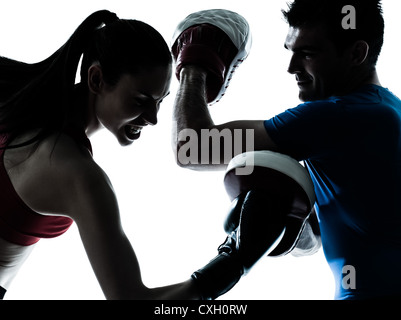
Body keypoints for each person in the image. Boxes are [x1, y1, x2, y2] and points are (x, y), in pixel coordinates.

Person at [0, 10, 287, 300]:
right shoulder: (77, 174)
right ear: (96, 79)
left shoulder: (19, 103)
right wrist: (234, 261)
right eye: (141, 101)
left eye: (160, 102)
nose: (153, 119)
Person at [171, 1, 401, 299]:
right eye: (291, 51)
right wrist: (285, 222)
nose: (292, 67)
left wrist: (194, 66)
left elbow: (192, 147)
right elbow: (318, 239)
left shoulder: (343, 116)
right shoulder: (385, 111)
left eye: (307, 54)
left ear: (356, 53)